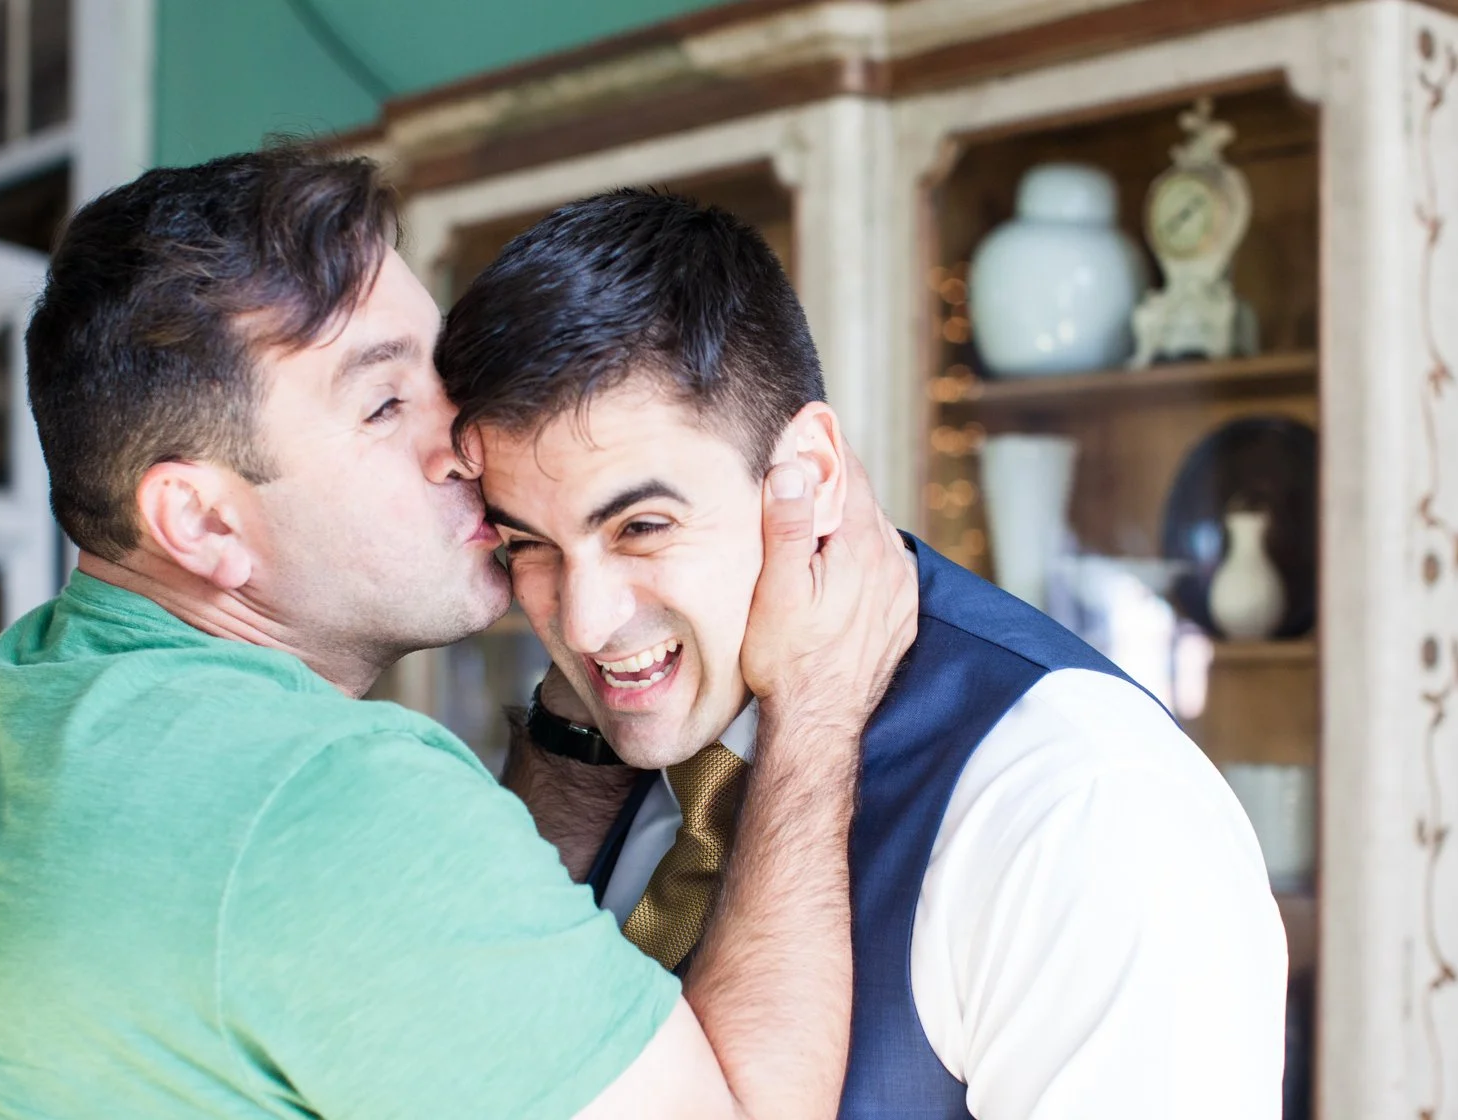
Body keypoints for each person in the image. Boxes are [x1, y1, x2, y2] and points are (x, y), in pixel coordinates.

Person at [0, 150, 919, 1119]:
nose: (463, 438)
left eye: (441, 372)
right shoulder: (327, 799)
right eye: (383, 403)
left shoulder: (41, 682)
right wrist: (817, 703)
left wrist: (578, 709)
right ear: (202, 521)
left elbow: (443, 1001)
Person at [434, 188, 1291, 1120]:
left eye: (642, 526)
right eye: (529, 544)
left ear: (812, 473)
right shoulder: (633, 734)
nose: (587, 623)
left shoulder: (1080, 802)